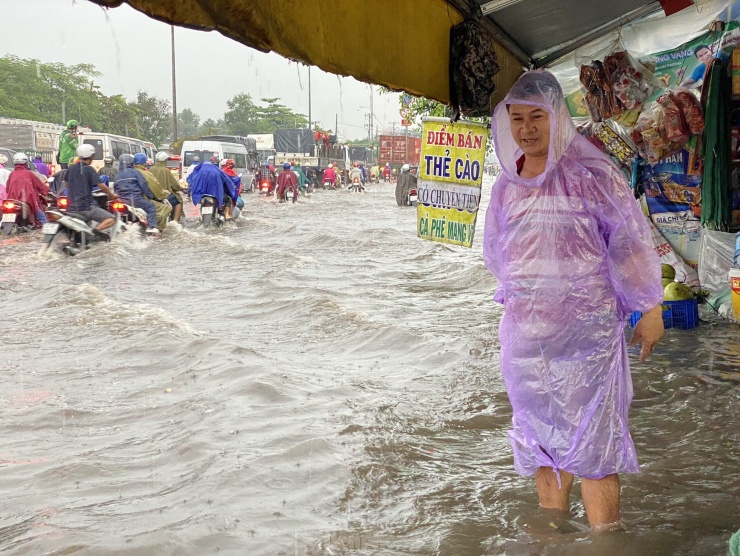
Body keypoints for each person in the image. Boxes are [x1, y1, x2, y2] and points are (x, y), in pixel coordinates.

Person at [483, 70, 665, 531]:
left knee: (596, 447)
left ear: (558, 117)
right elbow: (500, 255)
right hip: (527, 343)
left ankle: (606, 541)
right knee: (541, 442)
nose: (526, 128)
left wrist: (650, 307)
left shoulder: (591, 173)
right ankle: (554, 536)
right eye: (517, 119)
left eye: (536, 117)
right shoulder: (506, 185)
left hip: (589, 340)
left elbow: (630, 243)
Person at [65, 145, 118, 239]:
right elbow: (102, 186)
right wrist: (112, 195)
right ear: (90, 156)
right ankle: (95, 232)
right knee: (112, 218)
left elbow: (66, 184)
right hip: (85, 208)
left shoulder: (71, 168)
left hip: (70, 207)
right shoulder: (89, 169)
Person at [113, 154, 159, 234]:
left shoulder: (117, 175)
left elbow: (115, 189)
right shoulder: (135, 173)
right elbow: (144, 186)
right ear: (132, 163)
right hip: (135, 200)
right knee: (151, 207)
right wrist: (151, 196)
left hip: (122, 201)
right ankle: (151, 227)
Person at [4, 153, 49, 228]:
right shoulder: (29, 173)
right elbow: (39, 185)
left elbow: (7, 188)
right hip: (27, 200)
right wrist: (47, 190)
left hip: (12, 201)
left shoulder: (12, 174)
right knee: (43, 219)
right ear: (26, 163)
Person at [132, 153, 171, 231]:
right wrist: (165, 193)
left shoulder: (129, 171)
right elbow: (155, 187)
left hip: (126, 198)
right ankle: (156, 228)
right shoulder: (145, 173)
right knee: (166, 208)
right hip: (142, 198)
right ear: (144, 162)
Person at [152, 152, 187, 222]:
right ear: (164, 160)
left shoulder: (150, 169)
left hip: (152, 195)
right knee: (178, 202)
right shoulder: (166, 170)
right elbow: (174, 185)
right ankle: (175, 221)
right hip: (164, 195)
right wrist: (181, 188)